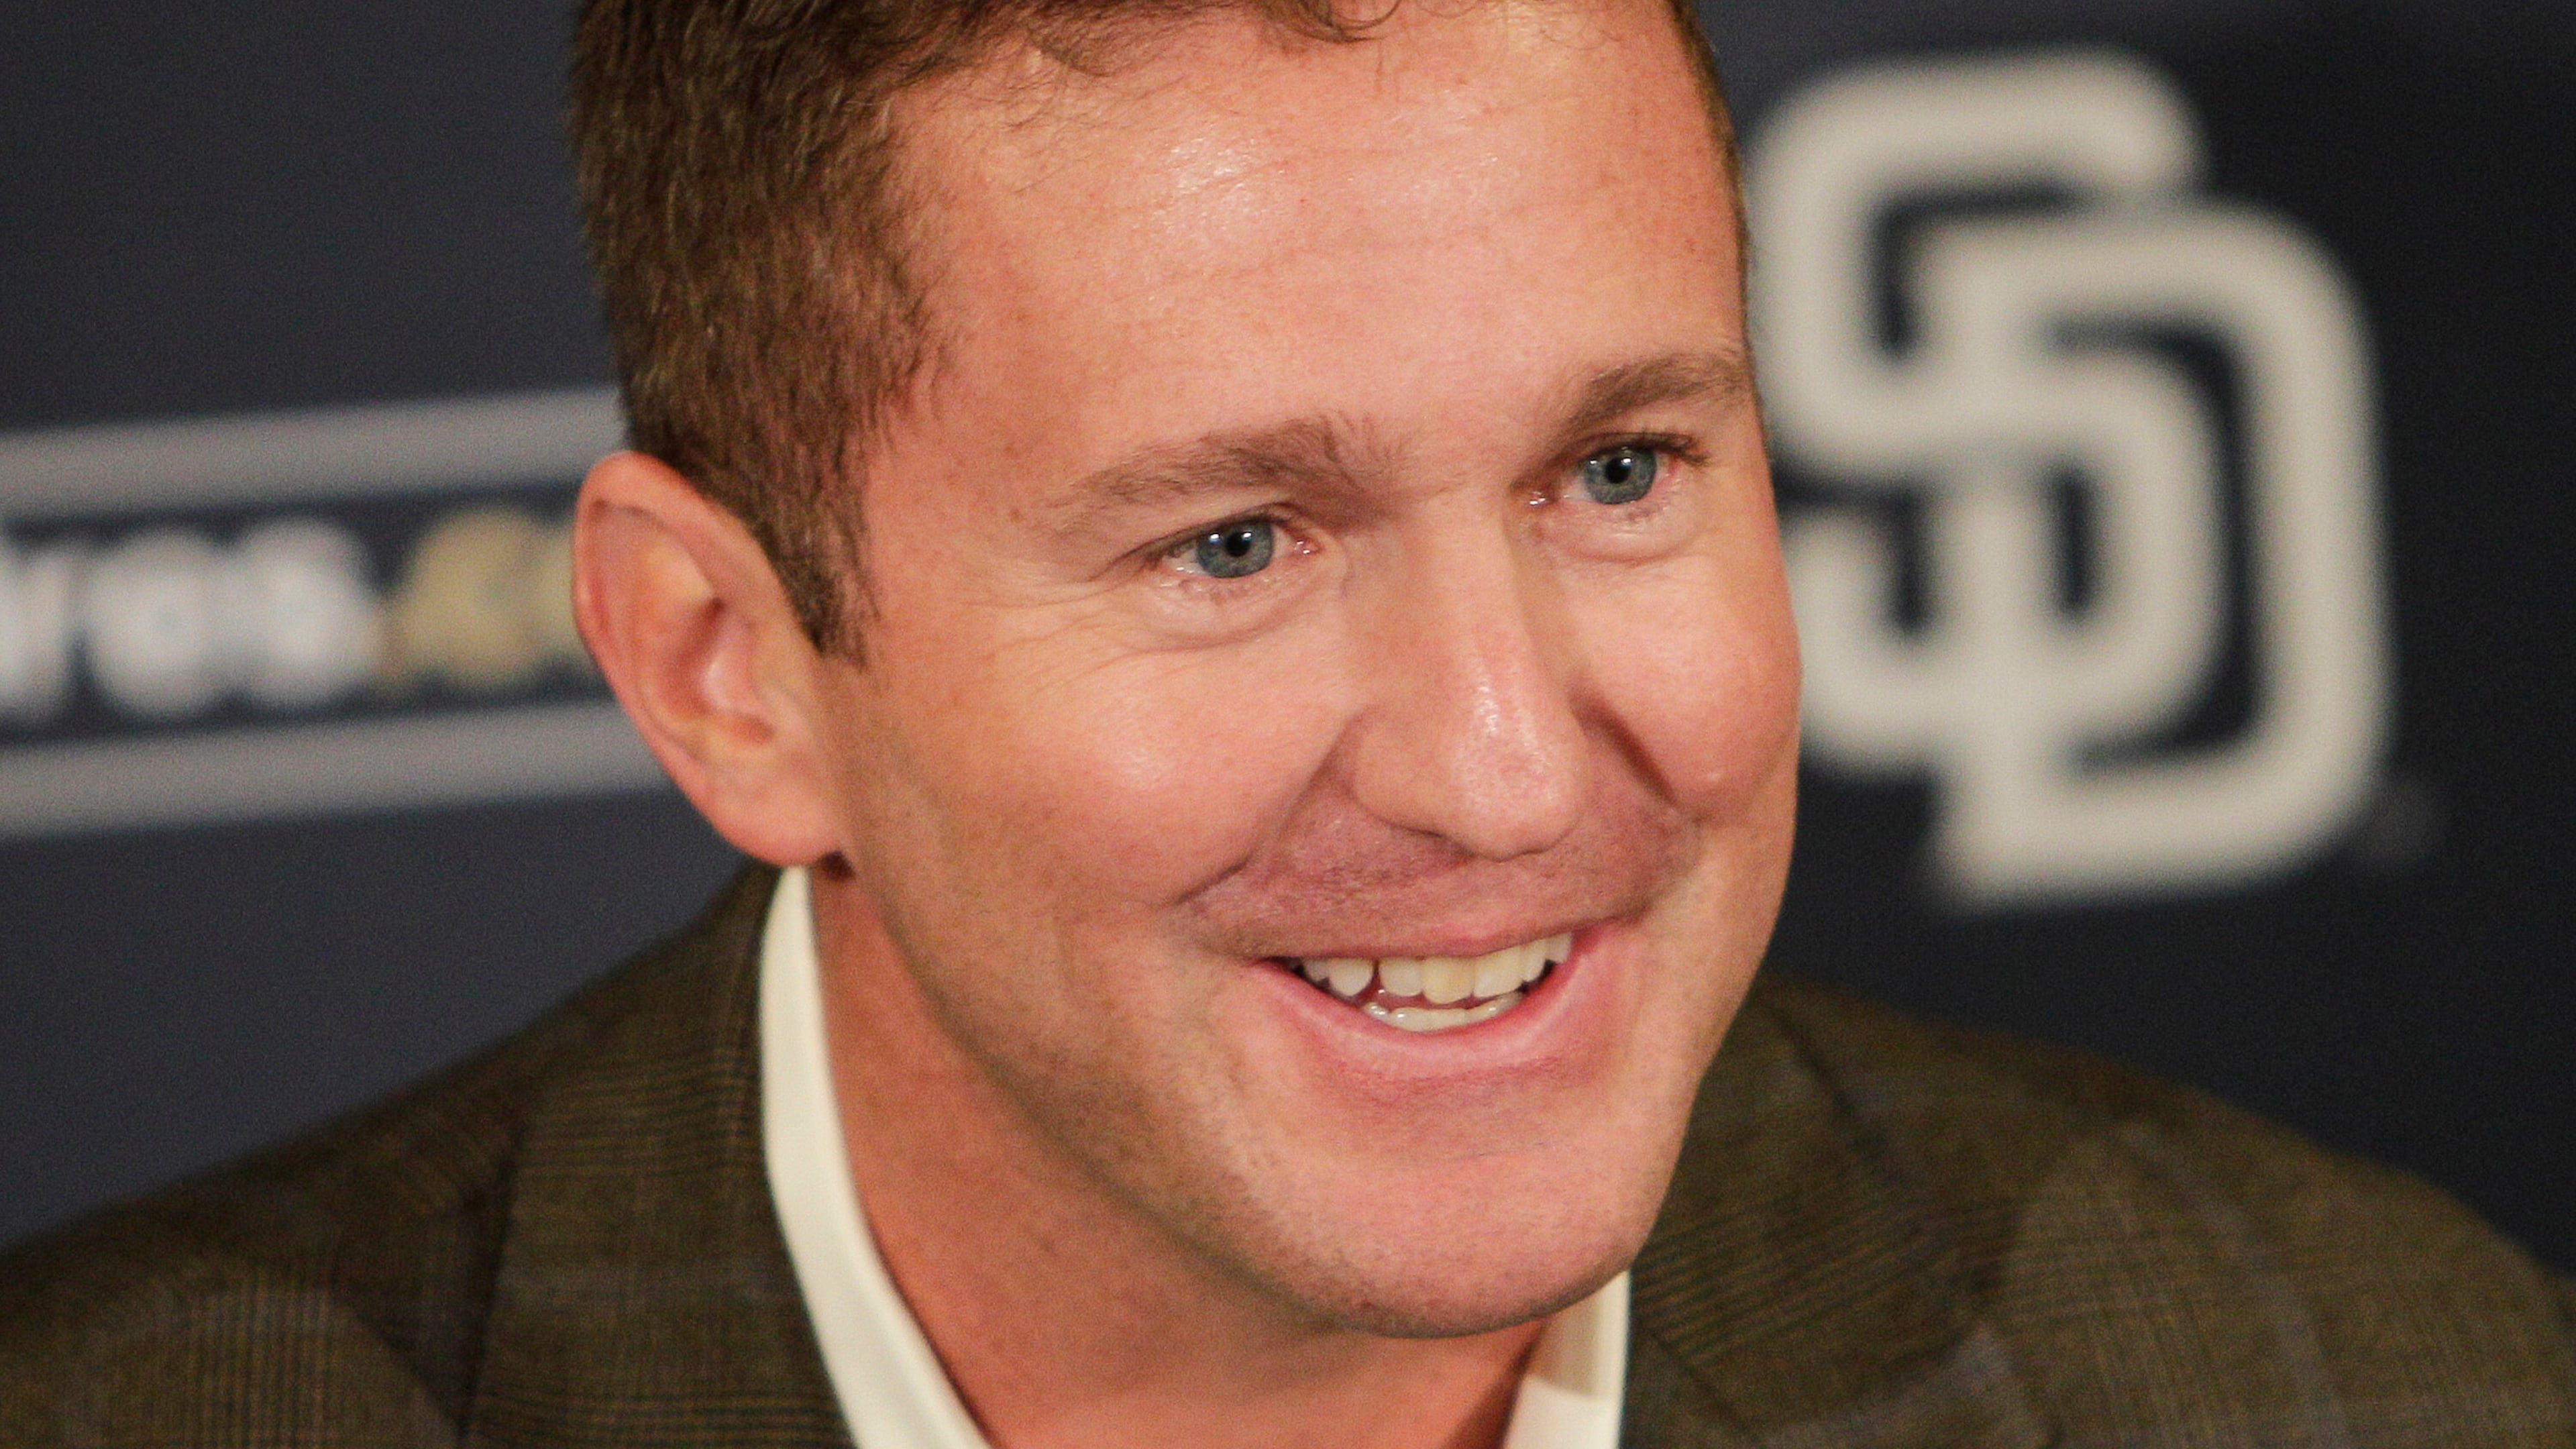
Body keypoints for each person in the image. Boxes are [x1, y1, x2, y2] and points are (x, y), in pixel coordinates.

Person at [3, 0, 2570, 1442]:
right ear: (728, 665)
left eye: (1617, 468)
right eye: (1233, 545)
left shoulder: (2337, 1375)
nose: (1505, 765)